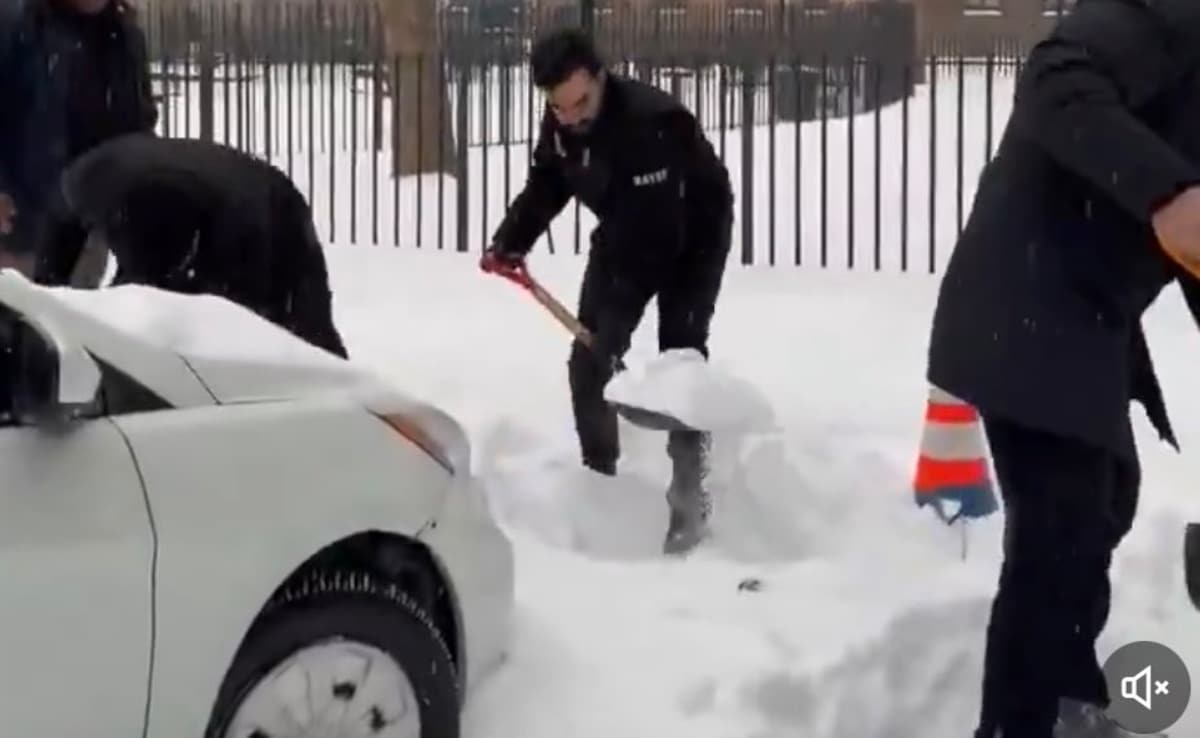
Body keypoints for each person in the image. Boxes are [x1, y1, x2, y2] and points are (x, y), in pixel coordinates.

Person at [926, 1, 1200, 736]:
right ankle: (1022, 723)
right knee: (1058, 536)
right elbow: (1053, 77)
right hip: (1023, 297)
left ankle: (1067, 706)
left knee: (1100, 505)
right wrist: (1166, 191)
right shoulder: (1167, 15)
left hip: (1079, 317)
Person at [481, 28, 734, 554]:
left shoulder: (650, 124)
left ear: (600, 78)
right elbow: (548, 183)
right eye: (558, 107)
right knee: (587, 362)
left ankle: (691, 499)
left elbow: (660, 242)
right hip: (625, 223)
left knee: (679, 357)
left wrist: (614, 323)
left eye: (580, 103)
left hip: (693, 228)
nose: (570, 117)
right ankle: (601, 481)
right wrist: (511, 241)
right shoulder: (559, 124)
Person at [36, 133, 349, 359]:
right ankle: (353, 403)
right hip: (268, 190)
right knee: (310, 330)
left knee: (249, 339)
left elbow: (145, 287)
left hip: (243, 214)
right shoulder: (92, 179)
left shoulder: (122, 196)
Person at [0, 0, 157, 278]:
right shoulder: (16, 22)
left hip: (87, 232)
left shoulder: (125, 38)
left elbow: (139, 128)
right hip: (17, 227)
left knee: (66, 318)